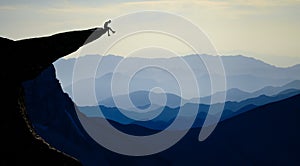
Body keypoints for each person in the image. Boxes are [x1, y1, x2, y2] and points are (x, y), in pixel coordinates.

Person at [0, 24, 108, 165]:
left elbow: (50, 45)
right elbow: (51, 46)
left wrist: (94, 32)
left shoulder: (9, 55)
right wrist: (95, 32)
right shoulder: (8, 56)